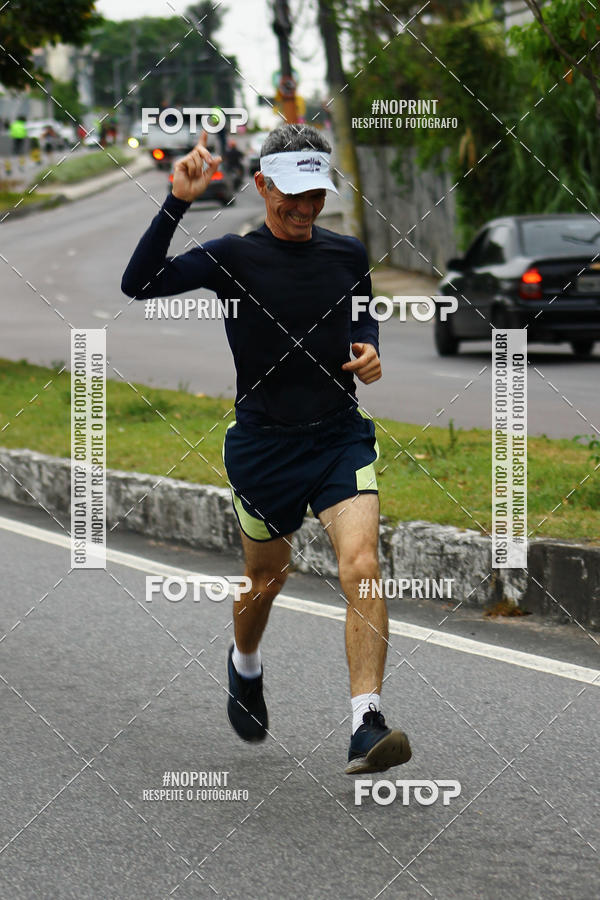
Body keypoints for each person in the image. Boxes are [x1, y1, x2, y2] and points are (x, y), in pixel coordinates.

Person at [121, 124, 412, 775]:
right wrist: (177, 202)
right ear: (262, 186)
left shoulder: (347, 254)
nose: (306, 208)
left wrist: (368, 350)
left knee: (362, 563)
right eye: (292, 195)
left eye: (316, 194)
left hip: (338, 437)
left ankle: (365, 722)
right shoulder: (233, 256)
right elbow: (138, 284)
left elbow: (361, 316)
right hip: (263, 449)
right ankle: (245, 664)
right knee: (266, 578)